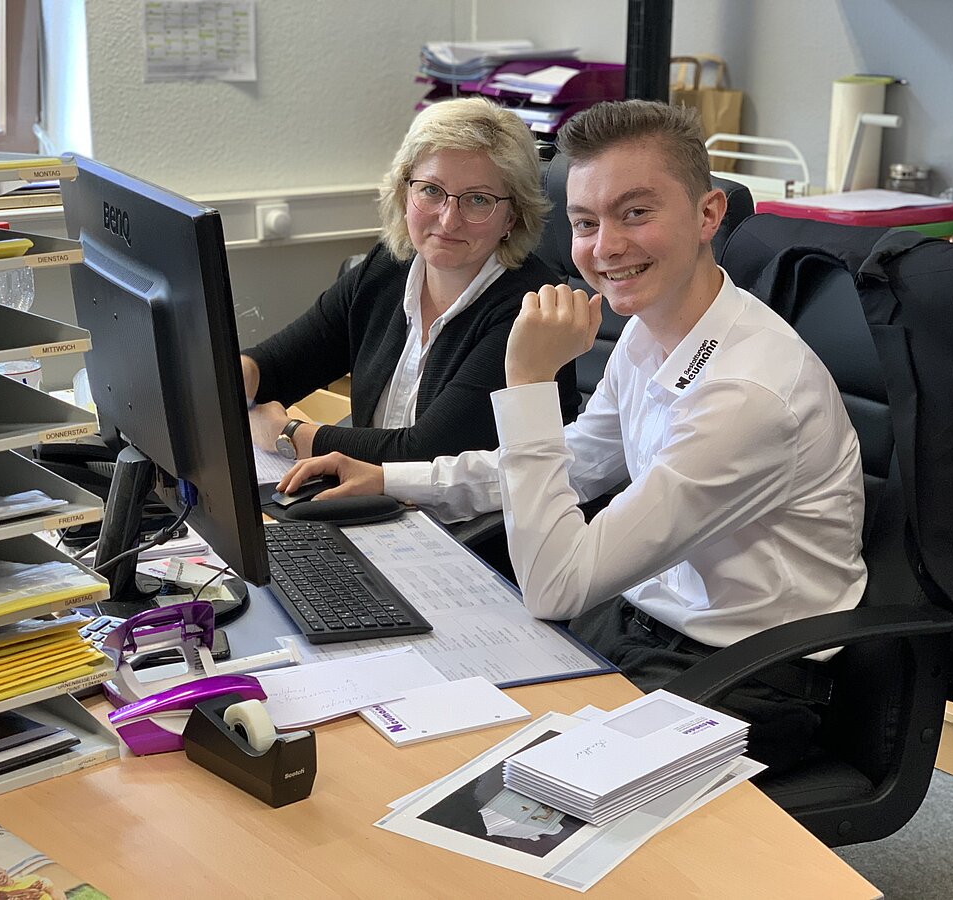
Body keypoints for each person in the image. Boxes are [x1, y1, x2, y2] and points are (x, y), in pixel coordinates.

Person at [276, 100, 867, 770]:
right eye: (586, 222)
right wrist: (391, 477)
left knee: (491, 780)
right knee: (413, 711)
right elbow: (575, 462)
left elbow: (556, 585)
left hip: (744, 675)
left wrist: (529, 382)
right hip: (632, 624)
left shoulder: (747, 395)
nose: (605, 246)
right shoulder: (651, 331)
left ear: (708, 216)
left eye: (635, 213)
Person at [242, 97, 581, 464]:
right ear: (405, 193)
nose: (448, 220)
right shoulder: (387, 268)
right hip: (368, 492)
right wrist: (228, 381)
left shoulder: (531, 308)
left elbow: (424, 452)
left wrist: (289, 434)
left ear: (511, 217)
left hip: (473, 502)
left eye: (478, 200)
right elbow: (276, 367)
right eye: (431, 190)